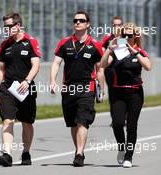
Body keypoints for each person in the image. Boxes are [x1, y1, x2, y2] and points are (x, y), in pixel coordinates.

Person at [50, 10, 104, 167]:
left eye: (81, 20)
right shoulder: (65, 43)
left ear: (88, 24)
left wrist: (101, 90)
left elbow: (100, 69)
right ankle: (77, 150)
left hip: (87, 87)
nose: (77, 23)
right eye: (75, 20)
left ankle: (80, 153)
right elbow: (56, 63)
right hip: (68, 89)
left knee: (82, 120)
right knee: (73, 123)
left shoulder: (95, 45)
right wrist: (53, 80)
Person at [101, 22, 151, 168]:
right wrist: (108, 50)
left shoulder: (140, 51)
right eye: (125, 35)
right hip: (118, 92)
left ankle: (129, 157)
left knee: (131, 126)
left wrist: (133, 50)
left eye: (130, 35)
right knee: (117, 123)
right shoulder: (117, 51)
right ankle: (121, 147)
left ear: (135, 36)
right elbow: (103, 64)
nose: (127, 37)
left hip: (135, 93)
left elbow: (148, 66)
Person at [0, 12, 40, 167]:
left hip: (26, 87)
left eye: (9, 26)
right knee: (8, 120)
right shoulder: (4, 45)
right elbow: (0, 69)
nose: (6, 29)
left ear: (18, 26)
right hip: (8, 88)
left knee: (27, 122)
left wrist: (27, 81)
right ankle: (7, 154)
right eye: (5, 26)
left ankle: (26, 152)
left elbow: (36, 65)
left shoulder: (30, 42)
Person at [100, 16, 124, 127]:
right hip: (110, 70)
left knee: (124, 94)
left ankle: (125, 115)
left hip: (124, 70)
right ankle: (115, 118)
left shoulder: (126, 37)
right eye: (114, 25)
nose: (117, 27)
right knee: (113, 94)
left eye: (119, 25)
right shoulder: (107, 37)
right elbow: (101, 52)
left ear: (122, 26)